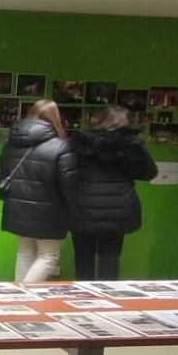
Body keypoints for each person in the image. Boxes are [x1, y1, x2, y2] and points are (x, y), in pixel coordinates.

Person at [68, 105, 158, 280]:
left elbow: (68, 170)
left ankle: (83, 294)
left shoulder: (81, 142)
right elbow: (149, 173)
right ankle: (107, 295)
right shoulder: (131, 145)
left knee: (83, 258)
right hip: (118, 208)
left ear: (101, 119)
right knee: (110, 259)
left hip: (83, 207)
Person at [0, 99, 79, 282]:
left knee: (25, 253)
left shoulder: (12, 143)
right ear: (56, 118)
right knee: (48, 256)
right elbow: (69, 184)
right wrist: (74, 212)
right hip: (50, 212)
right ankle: (25, 294)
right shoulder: (61, 146)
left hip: (17, 210)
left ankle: (19, 294)